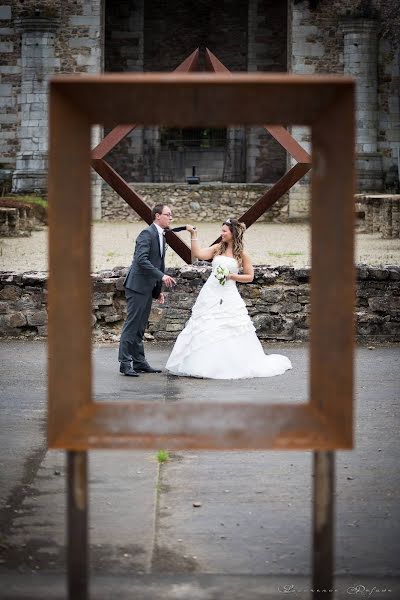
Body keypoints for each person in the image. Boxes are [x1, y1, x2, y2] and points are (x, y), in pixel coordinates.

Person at [165, 218, 292, 379]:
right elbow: (198, 255)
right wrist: (193, 234)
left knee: (229, 325)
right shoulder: (217, 248)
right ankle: (202, 364)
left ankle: (228, 365)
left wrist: (231, 276)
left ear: (233, 233)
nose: (222, 233)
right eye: (221, 230)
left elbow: (249, 277)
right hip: (211, 292)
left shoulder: (242, 254)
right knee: (205, 324)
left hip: (229, 293)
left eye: (224, 231)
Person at [118, 204, 176, 376]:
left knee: (141, 326)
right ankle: (125, 363)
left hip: (147, 287)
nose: (171, 218)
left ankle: (139, 362)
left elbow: (159, 263)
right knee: (132, 325)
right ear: (158, 216)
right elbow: (141, 260)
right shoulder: (146, 234)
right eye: (168, 215)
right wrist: (162, 276)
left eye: (171, 215)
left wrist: (157, 291)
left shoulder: (161, 236)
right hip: (136, 286)